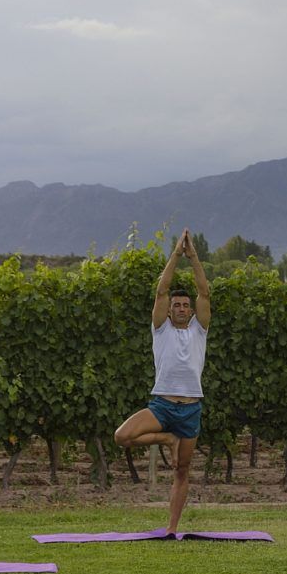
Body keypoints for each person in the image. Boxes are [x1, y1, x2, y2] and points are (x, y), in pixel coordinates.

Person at [114, 228, 210, 533]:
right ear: (168, 311)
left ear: (190, 311)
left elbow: (204, 293)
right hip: (163, 406)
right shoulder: (161, 329)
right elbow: (161, 291)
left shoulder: (199, 330)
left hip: (190, 409)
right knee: (122, 436)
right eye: (176, 305)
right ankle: (167, 438)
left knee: (182, 470)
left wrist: (193, 257)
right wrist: (176, 254)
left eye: (185, 305)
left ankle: (171, 529)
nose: (181, 308)